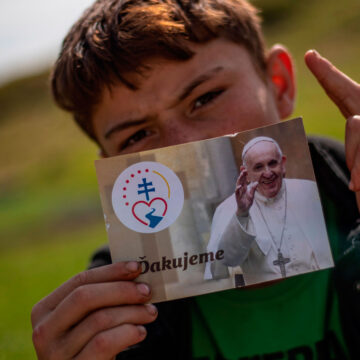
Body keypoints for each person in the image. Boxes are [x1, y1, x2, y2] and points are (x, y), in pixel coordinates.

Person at [31, 0, 360, 359]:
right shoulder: (119, 324)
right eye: (137, 135)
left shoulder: (344, 200)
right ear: (113, 166)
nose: (182, 145)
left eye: (206, 98)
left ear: (278, 85)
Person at [205, 136, 332, 284]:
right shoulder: (227, 209)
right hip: (268, 293)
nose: (268, 173)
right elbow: (223, 263)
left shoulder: (310, 191)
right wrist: (242, 214)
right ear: (245, 172)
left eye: (272, 164)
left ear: (282, 163)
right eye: (258, 167)